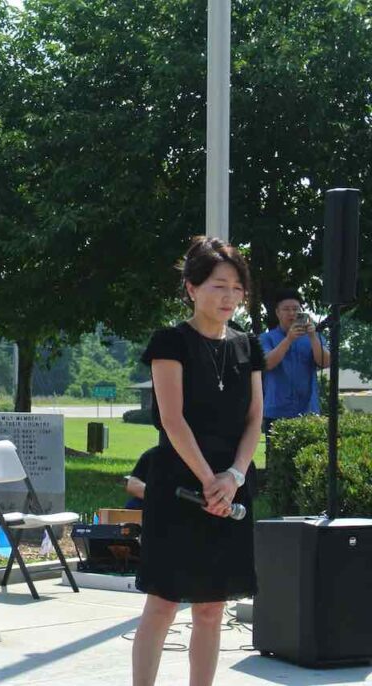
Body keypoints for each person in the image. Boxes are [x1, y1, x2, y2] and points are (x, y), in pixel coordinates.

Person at [132, 236, 265, 686]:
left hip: (231, 487)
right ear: (191, 288)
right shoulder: (170, 342)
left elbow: (254, 420)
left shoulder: (249, 347)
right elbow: (172, 419)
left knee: (212, 607)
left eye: (236, 288)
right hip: (179, 486)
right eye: (217, 286)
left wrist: (234, 476)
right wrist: (210, 480)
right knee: (164, 601)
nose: (228, 297)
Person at [259, 289, 330, 440]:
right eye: (286, 309)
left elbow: (325, 362)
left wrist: (312, 336)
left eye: (296, 309)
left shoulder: (314, 337)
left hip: (309, 411)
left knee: (308, 460)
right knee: (278, 461)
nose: (291, 313)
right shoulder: (266, 338)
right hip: (277, 411)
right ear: (277, 313)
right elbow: (266, 364)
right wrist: (289, 339)